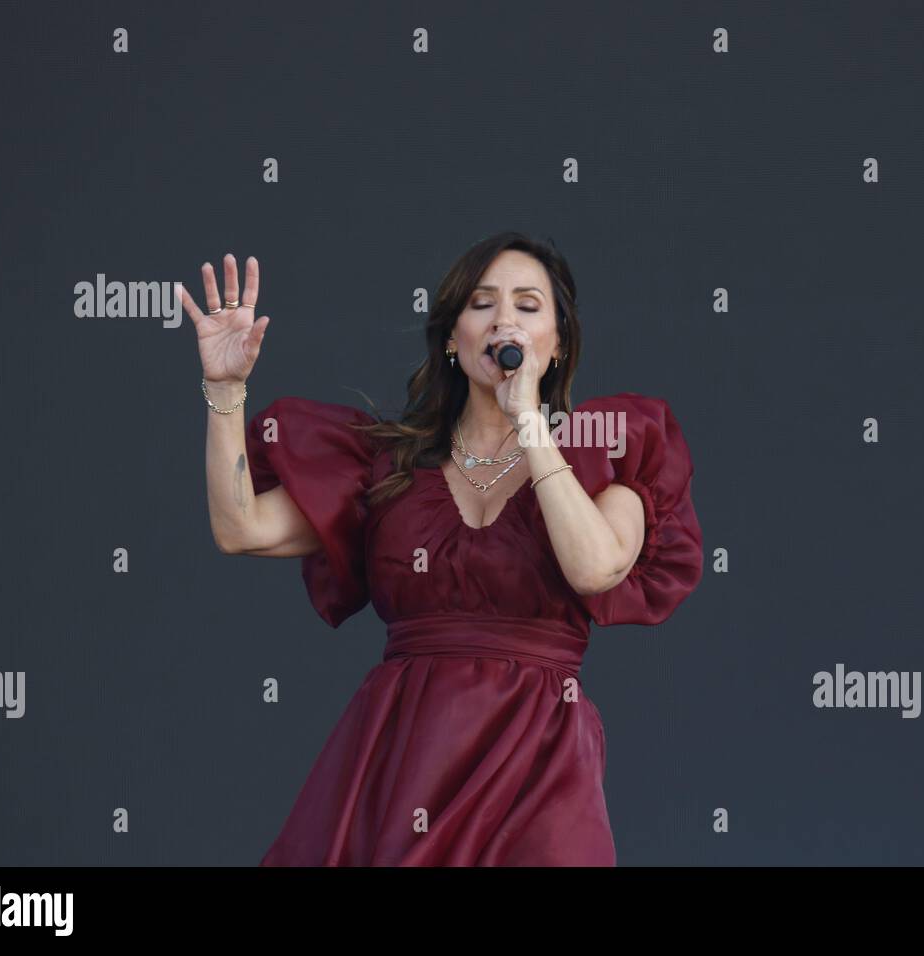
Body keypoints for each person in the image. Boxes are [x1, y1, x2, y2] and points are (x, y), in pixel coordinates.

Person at [181, 231, 703, 865]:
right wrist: (226, 390)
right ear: (453, 337)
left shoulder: (607, 458)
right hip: (405, 764)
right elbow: (240, 528)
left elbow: (594, 567)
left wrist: (532, 423)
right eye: (481, 303)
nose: (503, 318)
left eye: (528, 305)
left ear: (558, 344)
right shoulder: (388, 467)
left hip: (536, 771)